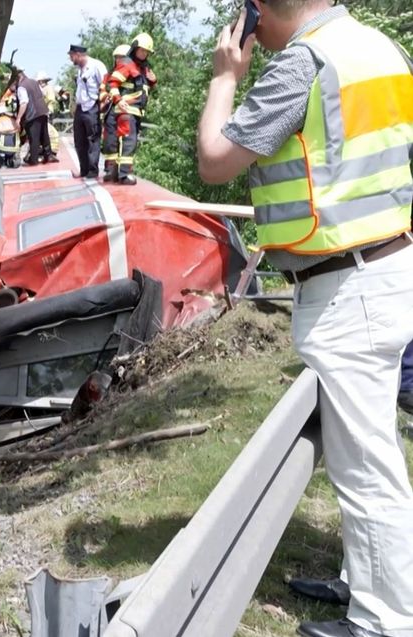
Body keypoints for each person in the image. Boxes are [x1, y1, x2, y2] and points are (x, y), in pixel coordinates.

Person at [196, 2, 413, 637]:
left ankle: (385, 622)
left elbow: (214, 160)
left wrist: (224, 76)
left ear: (259, 12)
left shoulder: (303, 67)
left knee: (367, 466)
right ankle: (362, 577)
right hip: (390, 263)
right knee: (370, 446)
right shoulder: (380, 48)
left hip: (348, 287)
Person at [102, 33, 157, 185]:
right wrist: (118, 100)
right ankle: (124, 175)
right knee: (128, 141)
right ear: (135, 48)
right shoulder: (128, 64)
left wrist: (153, 81)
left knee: (126, 141)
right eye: (142, 50)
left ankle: (115, 172)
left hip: (135, 111)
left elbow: (142, 85)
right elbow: (112, 84)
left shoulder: (143, 67)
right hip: (127, 110)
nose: (145, 54)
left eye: (147, 52)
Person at [67, 44, 107, 178]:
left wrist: (102, 107)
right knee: (79, 140)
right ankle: (83, 169)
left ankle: (92, 170)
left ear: (78, 55)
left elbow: (105, 86)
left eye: (72, 56)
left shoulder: (96, 66)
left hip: (92, 107)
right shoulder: (79, 70)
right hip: (80, 108)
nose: (71, 59)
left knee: (92, 139)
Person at [13, 68, 57, 166]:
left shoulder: (21, 86)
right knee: (44, 134)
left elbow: (24, 103)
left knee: (34, 137)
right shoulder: (33, 82)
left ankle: (33, 159)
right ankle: (48, 154)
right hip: (43, 111)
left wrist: (19, 118)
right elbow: (41, 94)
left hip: (32, 114)